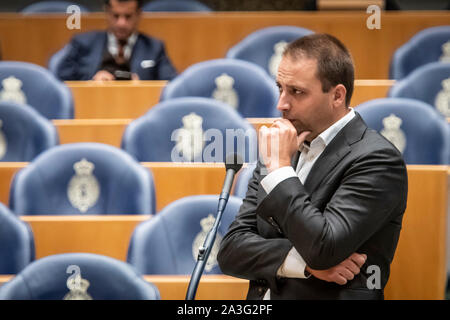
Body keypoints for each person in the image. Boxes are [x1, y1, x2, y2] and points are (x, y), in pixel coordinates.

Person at [217, 33, 408, 300]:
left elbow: (323, 248)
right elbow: (231, 250)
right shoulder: (282, 148)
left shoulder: (376, 160)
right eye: (280, 88)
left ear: (337, 96)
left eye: (297, 92)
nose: (281, 104)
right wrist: (302, 264)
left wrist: (281, 169)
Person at [56, 0, 177, 81]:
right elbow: (60, 80)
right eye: (116, 16)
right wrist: (91, 81)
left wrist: (143, 87)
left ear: (139, 15)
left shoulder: (154, 47)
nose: (121, 23)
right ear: (107, 13)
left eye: (128, 16)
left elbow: (171, 84)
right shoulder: (82, 42)